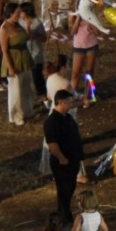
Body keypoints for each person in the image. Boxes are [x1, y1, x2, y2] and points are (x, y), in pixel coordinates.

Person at [44, 90, 84, 224]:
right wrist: (61, 158)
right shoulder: (52, 122)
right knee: (64, 191)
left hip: (72, 159)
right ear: (61, 102)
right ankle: (64, 217)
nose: (72, 104)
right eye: (69, 102)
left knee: (70, 188)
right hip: (62, 162)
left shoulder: (67, 117)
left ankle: (64, 215)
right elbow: (52, 144)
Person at [0, 2, 36, 126]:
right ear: (10, 13)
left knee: (27, 86)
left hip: (24, 58)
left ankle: (27, 111)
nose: (19, 14)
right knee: (16, 90)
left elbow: (26, 38)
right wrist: (10, 67)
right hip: (14, 59)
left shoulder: (18, 25)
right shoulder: (5, 28)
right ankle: (16, 116)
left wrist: (28, 27)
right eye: (17, 12)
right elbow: (4, 50)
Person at [69, 2, 99, 108]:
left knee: (89, 72)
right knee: (75, 73)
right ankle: (71, 98)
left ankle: (88, 97)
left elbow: (97, 32)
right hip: (78, 46)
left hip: (91, 45)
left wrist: (90, 20)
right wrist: (78, 18)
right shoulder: (72, 13)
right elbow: (72, 32)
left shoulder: (92, 14)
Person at [18, 1, 48, 98]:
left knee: (37, 76)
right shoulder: (20, 22)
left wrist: (33, 35)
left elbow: (44, 38)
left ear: (27, 12)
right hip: (25, 52)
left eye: (21, 11)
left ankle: (43, 94)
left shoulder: (37, 23)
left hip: (36, 53)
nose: (19, 13)